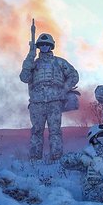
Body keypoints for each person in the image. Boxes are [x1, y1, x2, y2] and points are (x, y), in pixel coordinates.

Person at [19, 32, 79, 162]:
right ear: (39, 47)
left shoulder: (59, 62)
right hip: (37, 103)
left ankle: (57, 161)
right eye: (42, 45)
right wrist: (30, 55)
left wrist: (64, 89)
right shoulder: (33, 64)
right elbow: (24, 77)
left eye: (47, 45)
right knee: (36, 132)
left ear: (51, 46)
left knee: (55, 132)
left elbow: (74, 75)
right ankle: (35, 161)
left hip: (55, 102)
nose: (45, 47)